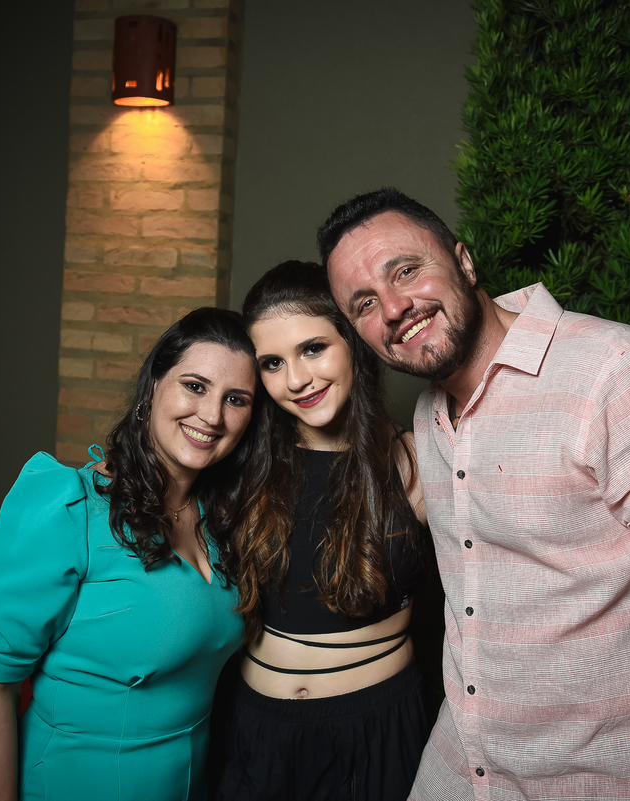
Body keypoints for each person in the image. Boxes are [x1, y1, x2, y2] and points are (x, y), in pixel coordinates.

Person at [319, 188, 630, 801]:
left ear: (464, 262)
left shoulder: (617, 371)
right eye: (364, 303)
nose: (394, 307)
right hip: (459, 774)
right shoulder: (430, 418)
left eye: (406, 271)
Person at [0, 308, 259, 801]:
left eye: (236, 399)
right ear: (152, 387)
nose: (212, 415)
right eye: (195, 386)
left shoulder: (226, 518)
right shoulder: (69, 510)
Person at [213, 261, 431, 801]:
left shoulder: (415, 461)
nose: (296, 380)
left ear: (352, 341)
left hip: (375, 733)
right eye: (272, 363)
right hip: (254, 733)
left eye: (313, 348)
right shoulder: (243, 465)